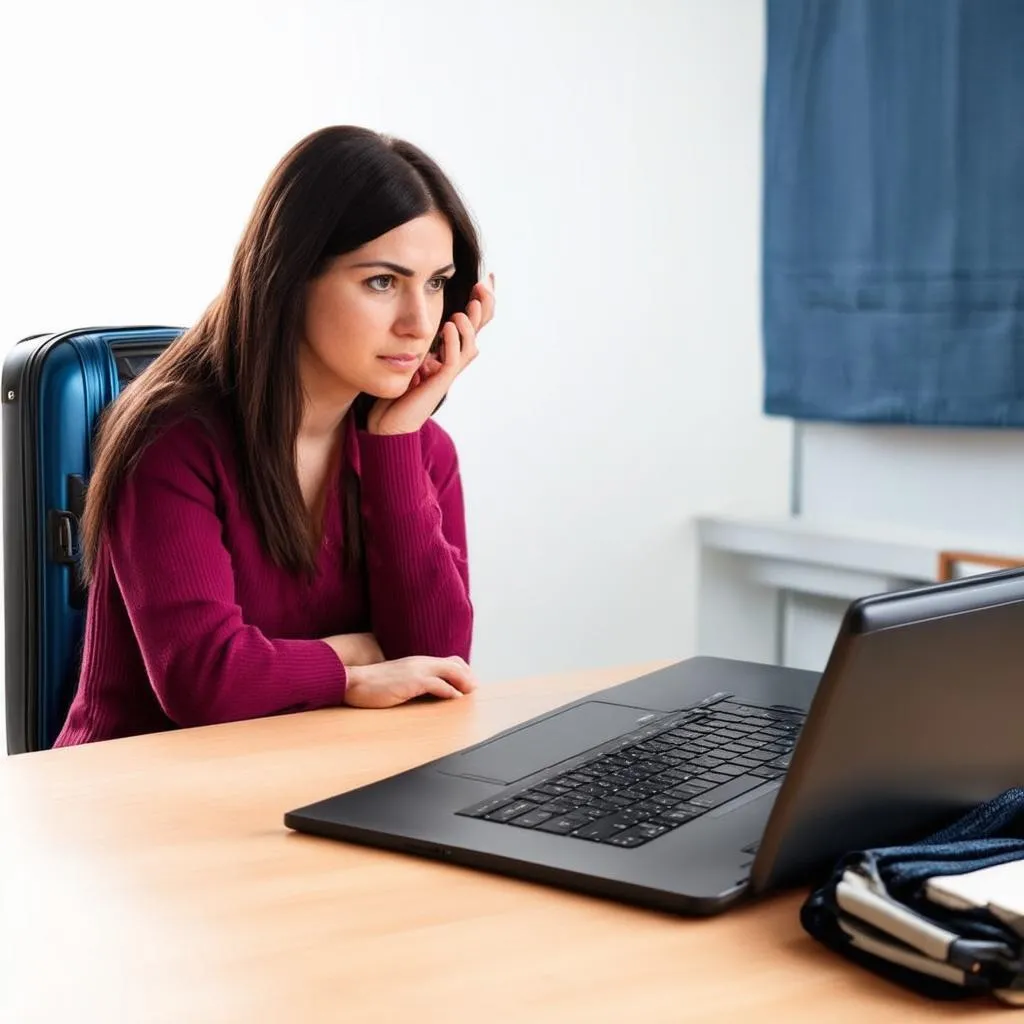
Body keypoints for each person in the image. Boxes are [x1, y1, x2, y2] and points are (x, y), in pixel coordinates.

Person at [54, 125, 495, 747]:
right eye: (381, 282)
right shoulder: (172, 440)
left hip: (310, 777)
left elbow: (438, 662)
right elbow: (204, 679)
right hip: (139, 800)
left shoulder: (419, 449)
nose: (418, 322)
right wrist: (349, 665)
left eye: (434, 283)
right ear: (292, 278)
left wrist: (395, 441)